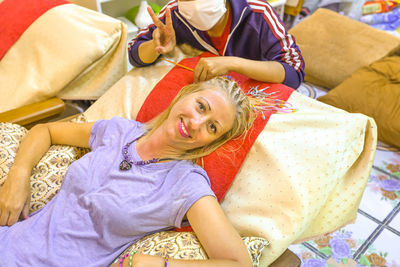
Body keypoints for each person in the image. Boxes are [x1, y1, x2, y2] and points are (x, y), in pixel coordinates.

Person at [0, 77, 255, 267]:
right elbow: (45, 130)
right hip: (10, 241)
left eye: (212, 127)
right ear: (185, 94)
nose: (196, 123)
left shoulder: (186, 184)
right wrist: (19, 174)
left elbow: (237, 263)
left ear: (211, 142)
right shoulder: (120, 131)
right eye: (201, 106)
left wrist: (158, 264)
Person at [128, 0, 305, 89]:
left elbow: (294, 73)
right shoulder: (173, 14)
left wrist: (232, 63)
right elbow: (134, 55)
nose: (195, 5)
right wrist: (155, 46)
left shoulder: (257, 12)